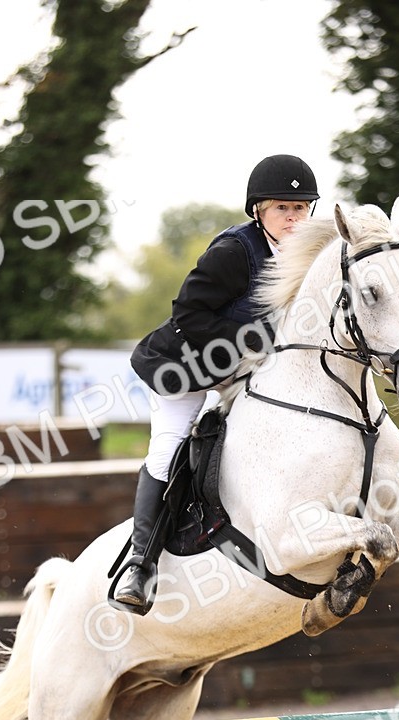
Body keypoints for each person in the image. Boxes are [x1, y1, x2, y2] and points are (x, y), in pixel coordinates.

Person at [108, 154, 320, 615]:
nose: (292, 217)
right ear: (258, 211)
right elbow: (189, 315)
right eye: (282, 208)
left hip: (241, 370)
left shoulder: (310, 259)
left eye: (301, 208)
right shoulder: (233, 253)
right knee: (167, 449)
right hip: (182, 365)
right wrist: (253, 344)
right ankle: (140, 566)